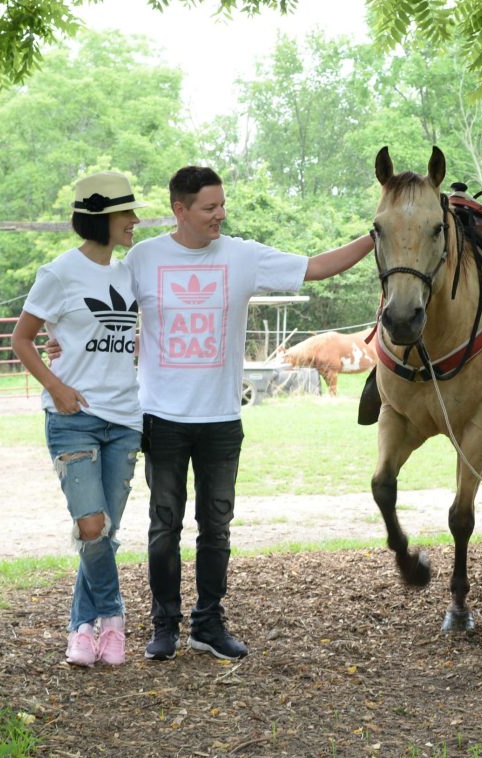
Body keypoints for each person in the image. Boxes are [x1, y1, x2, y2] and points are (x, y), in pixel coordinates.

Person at [126, 165, 373, 662]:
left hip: (220, 418)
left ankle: (208, 625)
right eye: (209, 207)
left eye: (222, 205)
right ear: (180, 210)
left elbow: (316, 266)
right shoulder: (143, 258)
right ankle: (164, 626)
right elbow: (105, 309)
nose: (220, 214)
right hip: (162, 417)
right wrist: (63, 341)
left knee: (216, 526)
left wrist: (376, 236)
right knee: (163, 525)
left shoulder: (242, 256)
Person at [11, 171, 148, 668]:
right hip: (73, 418)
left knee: (104, 534)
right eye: (125, 213)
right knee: (91, 525)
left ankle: (80, 629)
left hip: (125, 419)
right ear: (101, 218)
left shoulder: (131, 272)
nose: (134, 221)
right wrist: (56, 385)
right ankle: (112, 617)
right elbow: (22, 339)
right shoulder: (59, 273)